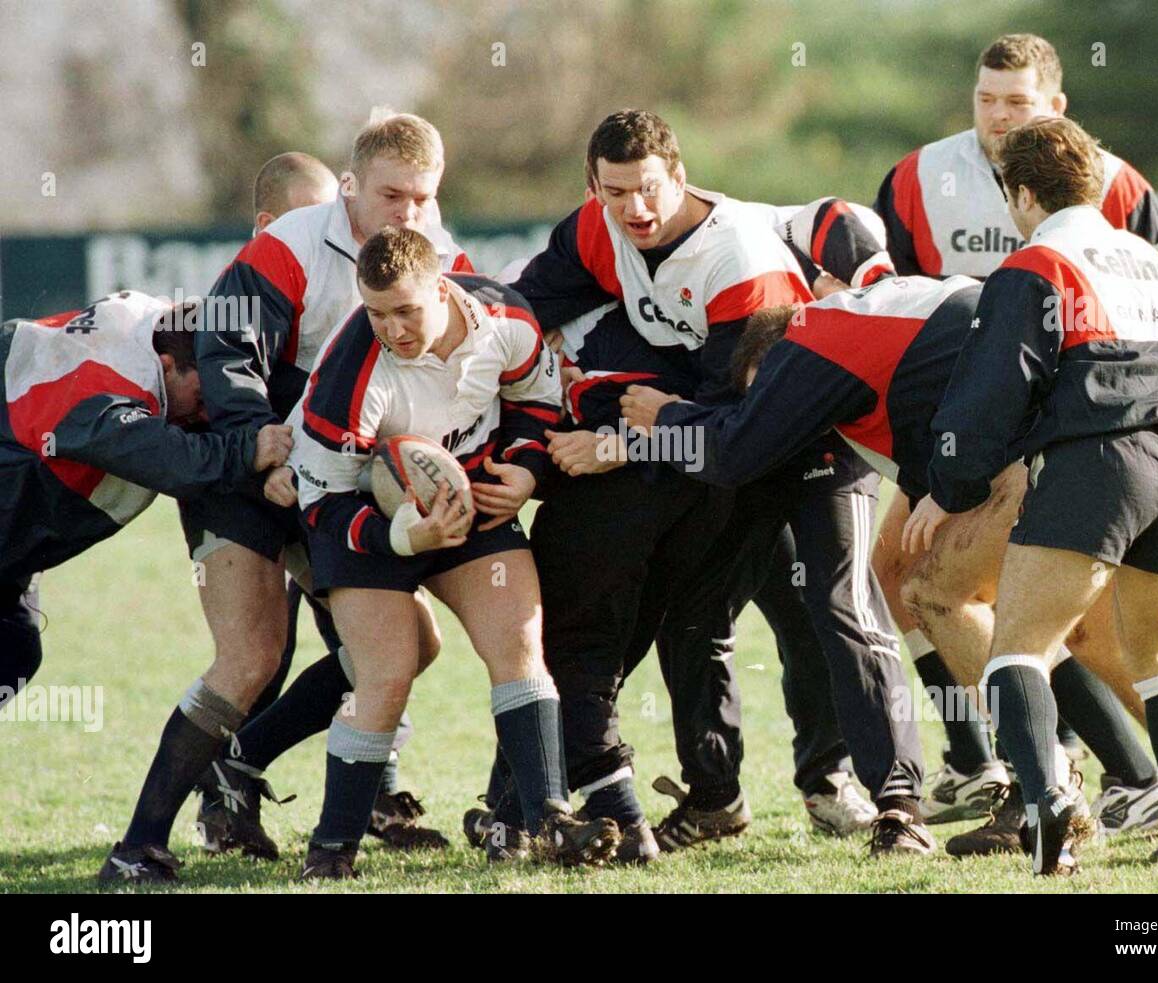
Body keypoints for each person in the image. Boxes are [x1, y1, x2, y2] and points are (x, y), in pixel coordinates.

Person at [868, 33, 1158, 848]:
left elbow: (988, 398)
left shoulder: (1037, 263)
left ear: (1020, 193)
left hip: (1100, 463)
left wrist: (947, 485)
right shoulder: (1144, 260)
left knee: (1015, 646)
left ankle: (1044, 804)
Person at [511, 110, 900, 850]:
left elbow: (737, 419)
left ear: (680, 176)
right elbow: (523, 306)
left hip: (801, 433)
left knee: (824, 609)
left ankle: (859, 789)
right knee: (696, 618)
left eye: (649, 189)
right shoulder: (597, 231)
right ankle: (716, 796)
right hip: (718, 440)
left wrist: (619, 444)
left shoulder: (739, 259)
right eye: (616, 192)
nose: (636, 209)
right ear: (592, 188)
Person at [103, 110, 473, 882]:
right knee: (249, 655)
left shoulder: (438, 255)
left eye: (423, 196)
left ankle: (240, 765)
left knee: (412, 646)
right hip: (248, 468)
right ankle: (138, 845)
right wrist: (260, 445)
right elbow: (227, 350)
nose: (408, 212)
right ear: (350, 185)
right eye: (392, 194)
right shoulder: (292, 245)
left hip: (331, 475)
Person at [272, 226, 615, 876]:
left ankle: (548, 820)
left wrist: (525, 471)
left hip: (467, 494)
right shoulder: (352, 373)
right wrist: (404, 534)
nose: (393, 328)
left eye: (406, 309)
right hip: (366, 515)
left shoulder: (506, 318)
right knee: (390, 668)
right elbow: (321, 506)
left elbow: (536, 403)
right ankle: (331, 849)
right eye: (376, 312)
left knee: (518, 641)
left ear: (443, 287)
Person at [0, 289, 292, 884]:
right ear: (166, 366)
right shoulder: (104, 374)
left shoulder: (162, 329)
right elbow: (142, 447)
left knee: (12, 651)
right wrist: (246, 448)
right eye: (203, 395)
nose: (206, 413)